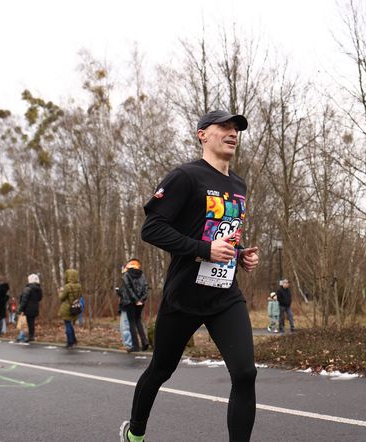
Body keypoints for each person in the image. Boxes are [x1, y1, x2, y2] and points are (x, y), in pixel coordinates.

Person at [120, 110, 260, 442]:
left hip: (225, 294)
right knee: (161, 370)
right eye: (223, 126)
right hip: (185, 295)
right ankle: (135, 433)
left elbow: (217, 234)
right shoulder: (185, 176)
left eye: (236, 128)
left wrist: (237, 255)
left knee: (245, 373)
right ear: (202, 134)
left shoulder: (238, 183)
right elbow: (151, 229)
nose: (232, 132)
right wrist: (203, 249)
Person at [120, 258, 150, 352]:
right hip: (140, 303)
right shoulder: (142, 275)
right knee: (138, 322)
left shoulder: (126, 275)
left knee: (132, 323)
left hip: (129, 302)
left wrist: (136, 300)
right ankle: (145, 342)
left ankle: (135, 346)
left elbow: (128, 289)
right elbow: (146, 288)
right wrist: (141, 299)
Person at [58, 269, 81, 349]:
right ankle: (74, 340)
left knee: (67, 325)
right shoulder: (79, 286)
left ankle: (70, 342)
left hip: (66, 308)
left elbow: (61, 298)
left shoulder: (67, 287)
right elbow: (80, 296)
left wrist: (60, 291)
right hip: (75, 307)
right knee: (70, 324)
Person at [17, 273, 42, 342]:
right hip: (35, 308)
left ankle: (24, 336)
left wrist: (20, 309)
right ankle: (31, 335)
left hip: (27, 308)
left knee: (25, 323)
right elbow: (40, 298)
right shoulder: (39, 289)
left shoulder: (27, 289)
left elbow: (24, 300)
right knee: (31, 323)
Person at [115, 280, 134, 351]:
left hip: (126, 307)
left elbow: (126, 295)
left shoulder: (128, 279)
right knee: (125, 326)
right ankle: (128, 344)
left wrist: (119, 292)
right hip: (129, 307)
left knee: (125, 327)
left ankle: (128, 345)